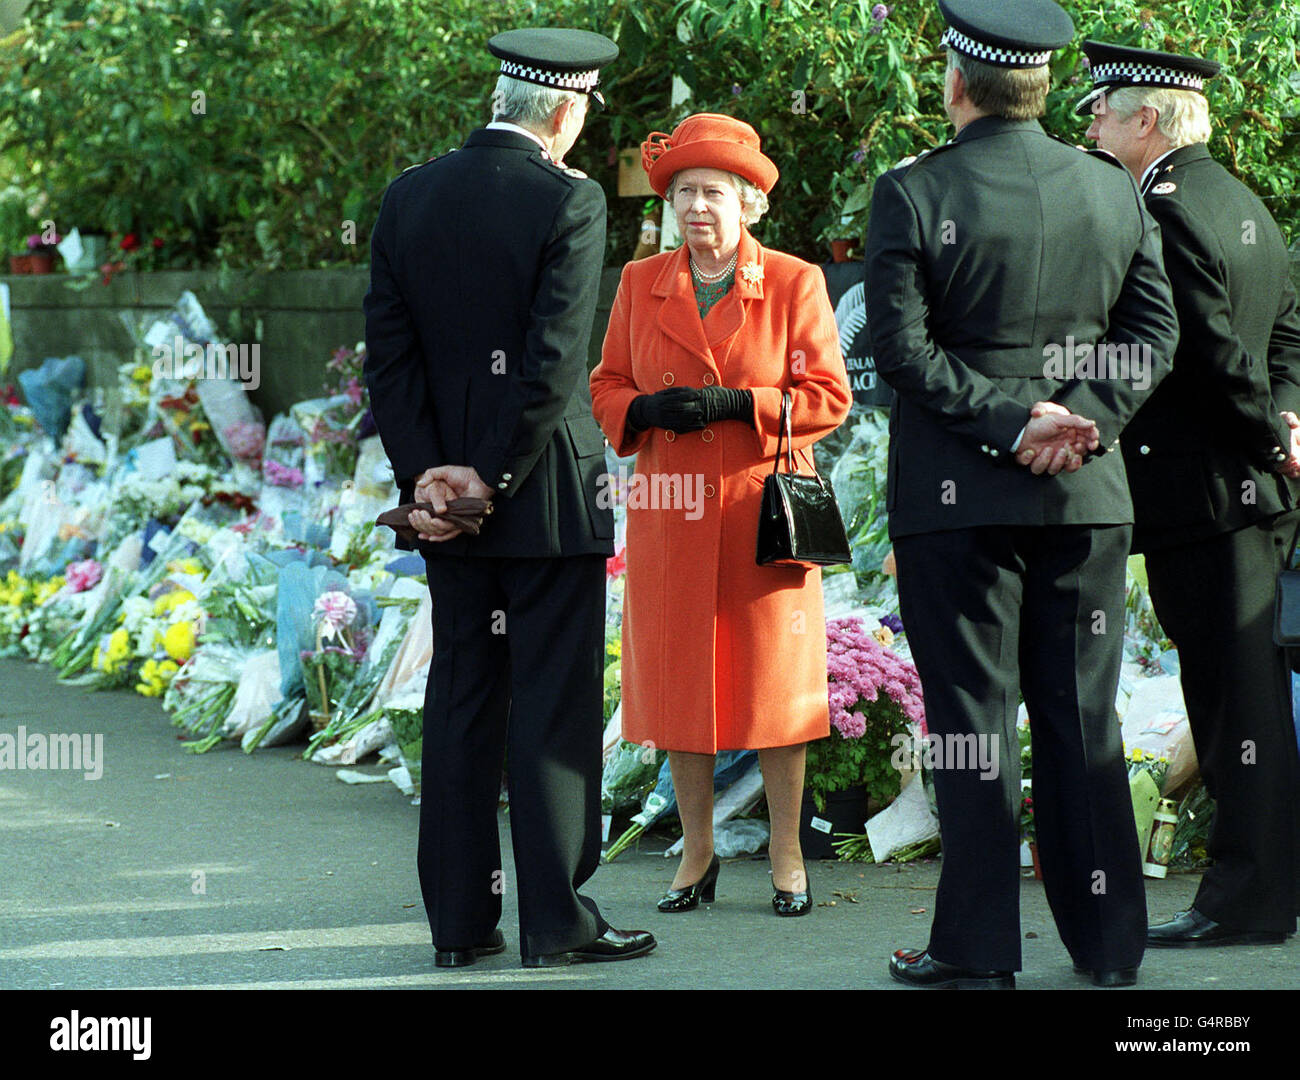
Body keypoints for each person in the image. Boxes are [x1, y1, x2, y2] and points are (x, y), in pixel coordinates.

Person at [863, 0, 1180, 988]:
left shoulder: (912, 191)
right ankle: (1110, 949)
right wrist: (1076, 417)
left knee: (969, 727)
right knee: (1083, 720)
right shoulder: (1109, 188)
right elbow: (1155, 336)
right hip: (1084, 497)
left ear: (958, 84)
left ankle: (975, 949)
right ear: (1039, 89)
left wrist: (1010, 422)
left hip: (959, 500)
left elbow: (903, 352)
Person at [363, 27, 655, 969]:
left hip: (446, 507)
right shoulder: (567, 198)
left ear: (501, 100)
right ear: (566, 111)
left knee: (460, 700)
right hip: (542, 500)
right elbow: (551, 362)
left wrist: (433, 479)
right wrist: (490, 477)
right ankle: (557, 926)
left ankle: (459, 925)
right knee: (552, 710)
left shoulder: (409, 195)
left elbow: (391, 360)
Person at [589, 113, 851, 917]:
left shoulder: (796, 280)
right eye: (683, 194)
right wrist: (644, 409)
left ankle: (785, 855)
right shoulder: (641, 283)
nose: (695, 208)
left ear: (748, 206)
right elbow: (605, 387)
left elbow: (829, 397)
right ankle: (695, 856)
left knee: (774, 691)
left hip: (760, 516)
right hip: (671, 515)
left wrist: (747, 402)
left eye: (712, 193)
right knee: (679, 690)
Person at [1080, 40, 1300, 947]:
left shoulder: (1162, 211)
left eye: (1100, 111)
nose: (1089, 125)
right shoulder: (1239, 198)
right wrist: (1287, 423)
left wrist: (1268, 436)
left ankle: (1245, 901)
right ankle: (1262, 891)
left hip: (1205, 496)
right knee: (1246, 698)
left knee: (1230, 704)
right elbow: (1287, 331)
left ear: (1146, 120)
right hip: (1246, 488)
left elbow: (1205, 354)